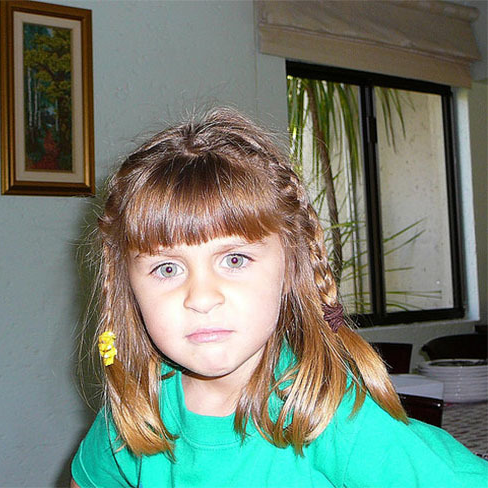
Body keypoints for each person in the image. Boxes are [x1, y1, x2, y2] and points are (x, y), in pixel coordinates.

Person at [70, 107, 488, 487]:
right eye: (167, 268)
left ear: (291, 268)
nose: (201, 297)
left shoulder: (332, 419)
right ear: (128, 288)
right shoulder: (135, 411)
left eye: (234, 259)